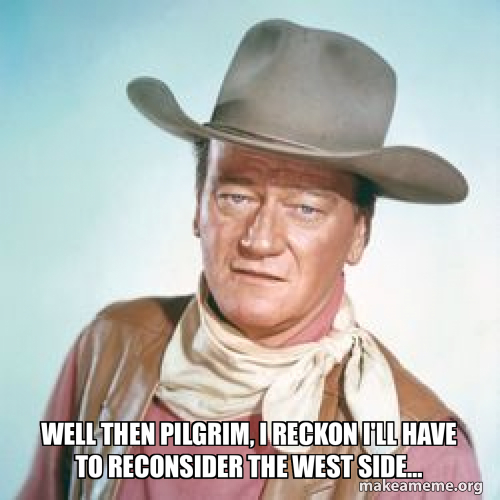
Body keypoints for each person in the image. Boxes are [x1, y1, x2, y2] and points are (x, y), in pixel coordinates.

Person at [19, 19, 481, 499]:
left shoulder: (426, 456)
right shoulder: (108, 349)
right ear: (198, 204)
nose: (260, 240)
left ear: (358, 235)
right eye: (236, 197)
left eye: (305, 208)